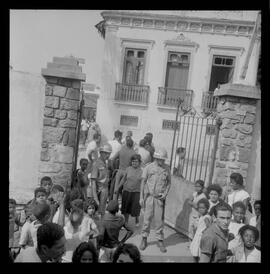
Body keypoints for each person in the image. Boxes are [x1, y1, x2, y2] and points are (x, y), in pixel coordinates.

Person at [139, 148, 171, 253]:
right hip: (149, 197)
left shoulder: (166, 169)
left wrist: (165, 194)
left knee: (159, 221)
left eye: (163, 160)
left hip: (159, 199)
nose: (161, 161)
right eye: (159, 159)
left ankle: (160, 240)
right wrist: (141, 197)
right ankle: (144, 238)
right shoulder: (148, 167)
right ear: (156, 158)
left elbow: (169, 183)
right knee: (146, 219)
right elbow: (143, 183)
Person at [116, 154, 143, 227]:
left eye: (136, 161)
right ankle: (126, 222)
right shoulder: (128, 169)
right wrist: (118, 187)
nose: (134, 163)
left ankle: (137, 220)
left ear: (139, 162)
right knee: (126, 208)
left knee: (135, 208)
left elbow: (144, 183)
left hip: (136, 192)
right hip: (127, 191)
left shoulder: (142, 171)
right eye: (133, 161)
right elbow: (123, 179)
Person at [91, 144, 112, 217]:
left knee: (102, 212)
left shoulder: (105, 163)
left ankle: (102, 226)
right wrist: (95, 198)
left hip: (105, 190)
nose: (108, 155)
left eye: (109, 153)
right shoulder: (96, 164)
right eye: (106, 153)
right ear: (101, 153)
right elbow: (93, 182)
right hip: (99, 191)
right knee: (97, 213)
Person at [190, 198, 211, 262]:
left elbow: (209, 227)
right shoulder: (202, 216)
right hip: (197, 236)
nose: (201, 210)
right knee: (195, 252)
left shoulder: (206, 217)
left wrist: (204, 232)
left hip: (201, 237)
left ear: (207, 208)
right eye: (199, 208)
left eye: (203, 208)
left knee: (198, 253)